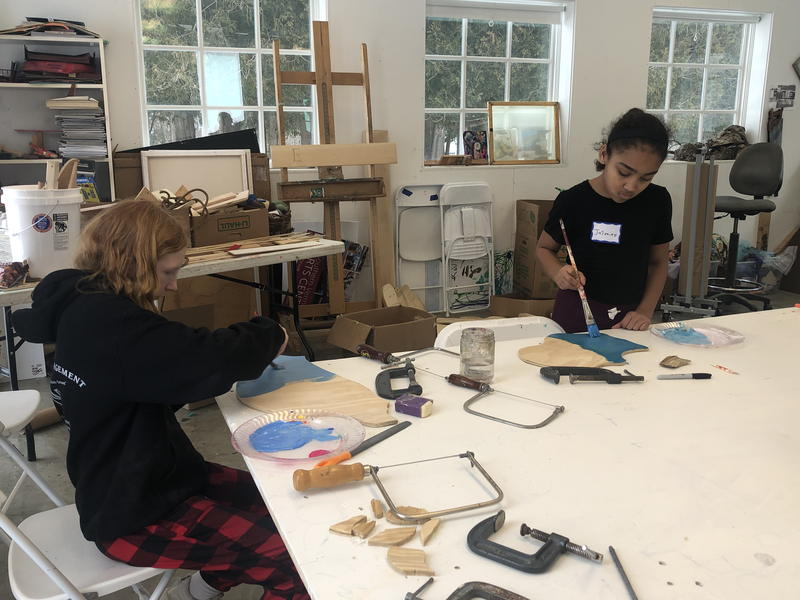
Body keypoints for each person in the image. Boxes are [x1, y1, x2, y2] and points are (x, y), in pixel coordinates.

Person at [12, 199, 308, 600]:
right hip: (135, 517)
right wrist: (271, 334)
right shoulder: (114, 325)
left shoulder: (81, 306)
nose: (173, 285)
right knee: (298, 555)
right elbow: (206, 356)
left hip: (152, 479)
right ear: (133, 263)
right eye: (169, 272)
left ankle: (196, 591)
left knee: (283, 503)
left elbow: (161, 373)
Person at [536, 108, 673, 333]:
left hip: (629, 317)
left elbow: (658, 262)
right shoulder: (573, 200)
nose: (631, 186)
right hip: (575, 311)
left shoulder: (657, 201)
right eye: (624, 173)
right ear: (604, 154)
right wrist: (558, 273)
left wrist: (645, 311)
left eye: (646, 178)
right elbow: (543, 249)